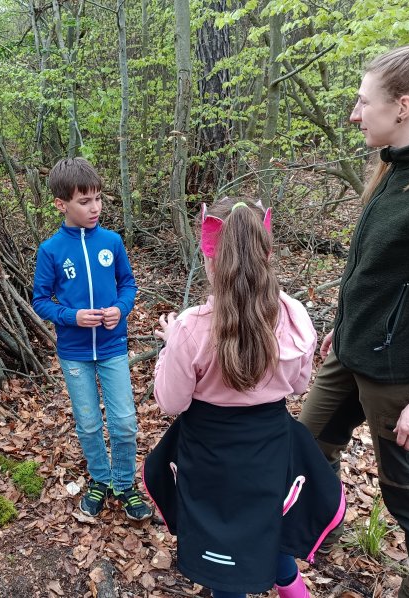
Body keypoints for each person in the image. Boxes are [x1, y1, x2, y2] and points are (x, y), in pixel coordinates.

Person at [298, 41, 409, 598]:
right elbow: (381, 270)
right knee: (306, 447)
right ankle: (315, 531)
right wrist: (346, 321)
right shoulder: (394, 168)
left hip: (401, 375)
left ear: (402, 107)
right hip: (350, 353)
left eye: (363, 101)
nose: (355, 114)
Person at [145, 199, 345, 598]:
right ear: (266, 254)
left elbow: (171, 402)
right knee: (266, 523)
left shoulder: (190, 328)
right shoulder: (295, 316)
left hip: (211, 457)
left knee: (226, 550)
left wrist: (170, 347)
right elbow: (299, 385)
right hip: (270, 451)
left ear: (209, 261)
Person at [32, 157, 153, 521]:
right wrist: (72, 317)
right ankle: (100, 479)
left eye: (98, 198)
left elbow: (127, 284)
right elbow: (40, 300)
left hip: (113, 347)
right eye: (84, 201)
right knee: (87, 423)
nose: (95, 207)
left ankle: (125, 483)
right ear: (61, 204)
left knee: (124, 422)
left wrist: (121, 308)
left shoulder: (111, 242)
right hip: (74, 352)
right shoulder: (51, 250)